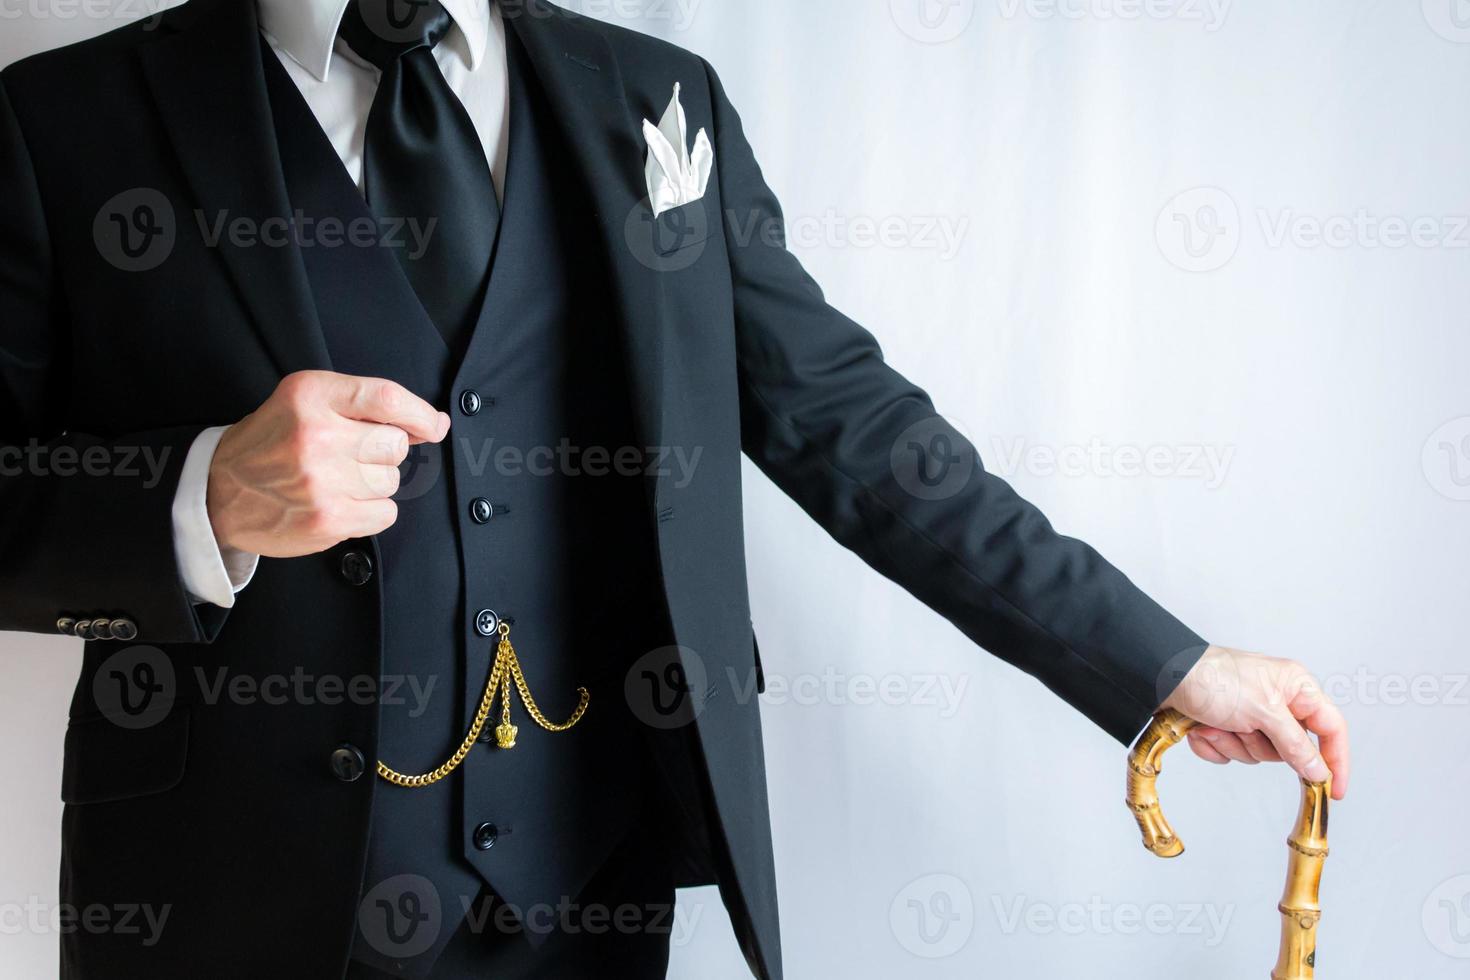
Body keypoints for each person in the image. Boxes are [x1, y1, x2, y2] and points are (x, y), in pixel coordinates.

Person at [0, 0, 1350, 977]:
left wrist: (1161, 662)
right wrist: (199, 498)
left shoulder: (654, 96)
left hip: (587, 880)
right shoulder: (59, 119)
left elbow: (847, 424)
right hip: (227, 896)